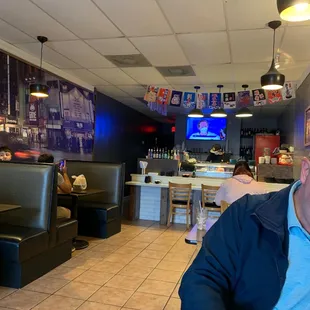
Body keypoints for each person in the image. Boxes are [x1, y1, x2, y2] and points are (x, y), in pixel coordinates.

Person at [179, 156, 310, 309]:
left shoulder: (227, 184)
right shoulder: (245, 214)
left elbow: (216, 201)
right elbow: (203, 279)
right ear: (306, 171)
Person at [37, 154, 72, 219]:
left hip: (34, 209)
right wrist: (64, 173)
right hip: (46, 211)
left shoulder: (35, 173)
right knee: (68, 212)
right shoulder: (55, 174)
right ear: (52, 164)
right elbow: (68, 189)